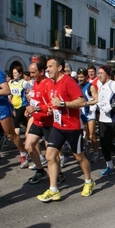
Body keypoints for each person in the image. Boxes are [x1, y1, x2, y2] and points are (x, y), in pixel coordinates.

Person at [36, 56, 94, 202]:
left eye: (50, 66)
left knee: (79, 157)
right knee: (50, 156)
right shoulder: (52, 83)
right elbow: (52, 103)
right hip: (57, 126)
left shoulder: (68, 81)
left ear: (59, 67)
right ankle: (53, 190)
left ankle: (89, 181)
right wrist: (49, 109)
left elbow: (82, 102)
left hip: (73, 127)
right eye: (47, 67)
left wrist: (62, 104)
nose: (47, 69)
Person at [24, 60, 57, 184]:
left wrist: (37, 108)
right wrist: (29, 109)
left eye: (33, 72)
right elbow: (35, 100)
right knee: (28, 146)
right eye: (30, 72)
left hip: (49, 123)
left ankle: (59, 173)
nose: (31, 75)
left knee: (51, 153)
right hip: (38, 121)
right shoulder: (35, 83)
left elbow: (52, 104)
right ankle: (40, 171)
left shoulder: (49, 84)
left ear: (42, 71)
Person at [77, 67, 100, 163]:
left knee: (91, 135)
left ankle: (96, 153)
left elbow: (97, 99)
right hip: (81, 113)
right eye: (79, 77)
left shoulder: (91, 86)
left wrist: (87, 103)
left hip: (90, 113)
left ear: (86, 77)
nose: (80, 79)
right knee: (81, 135)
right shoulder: (77, 86)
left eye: (82, 77)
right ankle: (87, 144)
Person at [9, 66, 30, 137]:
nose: (14, 74)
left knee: (16, 122)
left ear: (20, 73)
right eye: (13, 73)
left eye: (15, 73)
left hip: (22, 105)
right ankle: (31, 131)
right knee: (24, 121)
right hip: (14, 105)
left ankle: (15, 139)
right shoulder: (10, 82)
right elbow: (9, 94)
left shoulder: (24, 83)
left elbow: (32, 90)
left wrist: (28, 94)